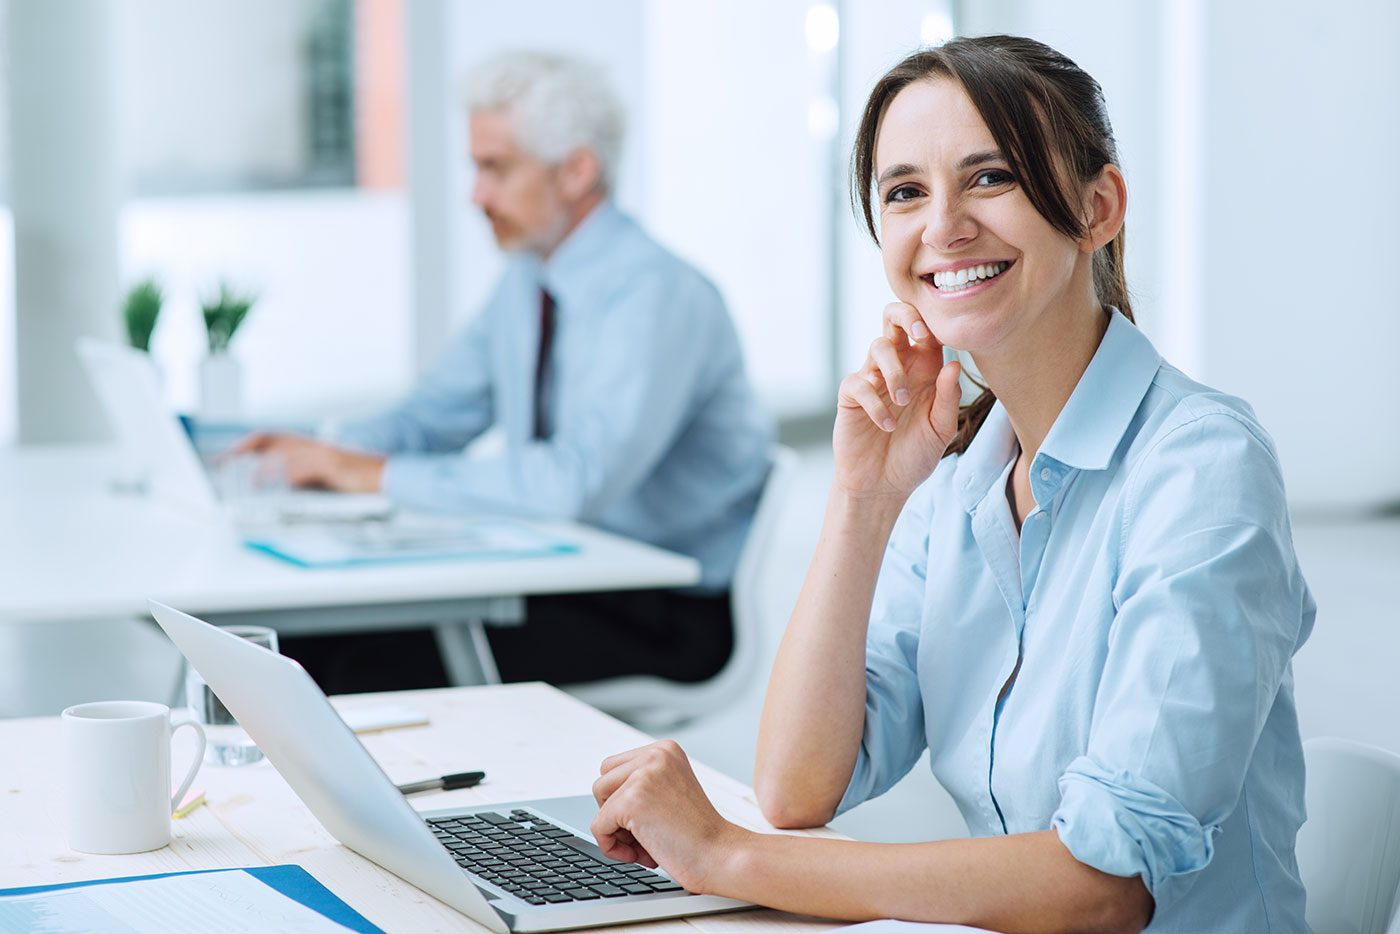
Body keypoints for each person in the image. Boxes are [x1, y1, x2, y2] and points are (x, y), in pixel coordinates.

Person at [584, 35, 1314, 933]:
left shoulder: (1201, 470)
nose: (943, 227)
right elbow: (801, 784)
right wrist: (864, 497)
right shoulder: (962, 482)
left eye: (991, 176)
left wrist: (729, 856)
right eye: (904, 192)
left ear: (1098, 207)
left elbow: (1105, 888)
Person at [238, 51, 772, 693]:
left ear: (577, 171)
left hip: (659, 607)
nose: (476, 196)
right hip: (555, 575)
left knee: (338, 666)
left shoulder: (659, 296)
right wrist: (322, 450)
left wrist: (370, 474)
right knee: (291, 640)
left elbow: (570, 485)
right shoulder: (528, 278)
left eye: (496, 169)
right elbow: (434, 416)